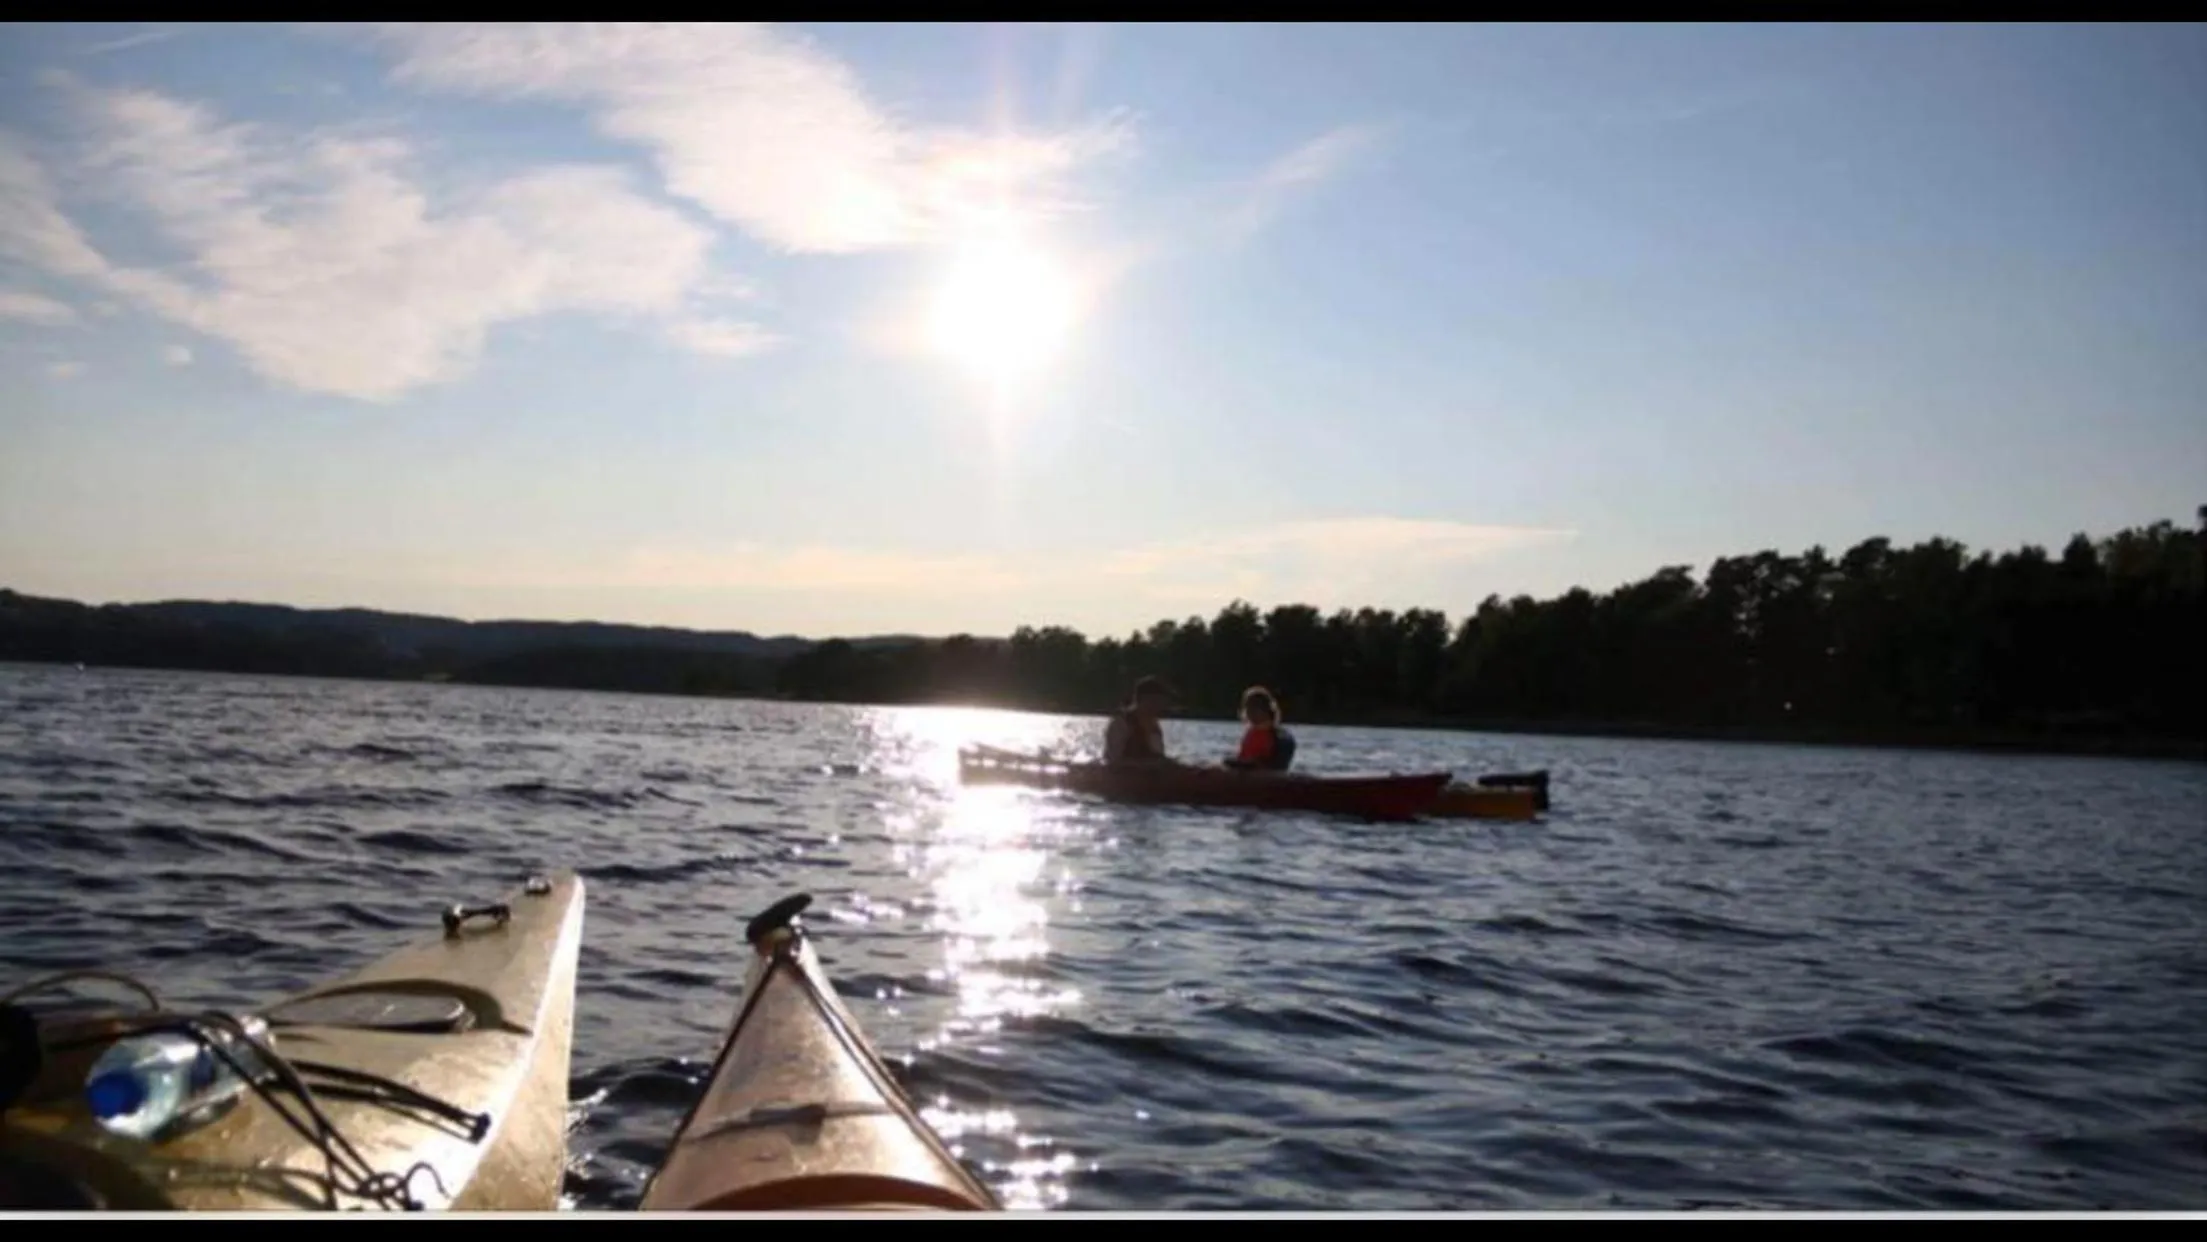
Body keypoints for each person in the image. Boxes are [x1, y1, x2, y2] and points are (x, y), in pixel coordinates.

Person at [1102, 675, 1177, 766]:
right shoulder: (1121, 723)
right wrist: (1148, 765)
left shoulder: (1154, 726)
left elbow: (1157, 757)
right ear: (1145, 699)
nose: (1163, 705)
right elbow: (1112, 761)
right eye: (1159, 700)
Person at [1224, 685, 1297, 772]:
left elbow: (1272, 764)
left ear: (1267, 710)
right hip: (1246, 774)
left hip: (1264, 776)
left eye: (1254, 708)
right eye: (1248, 708)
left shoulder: (1280, 737)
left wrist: (1249, 764)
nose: (1249, 712)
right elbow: (1241, 757)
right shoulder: (1250, 733)